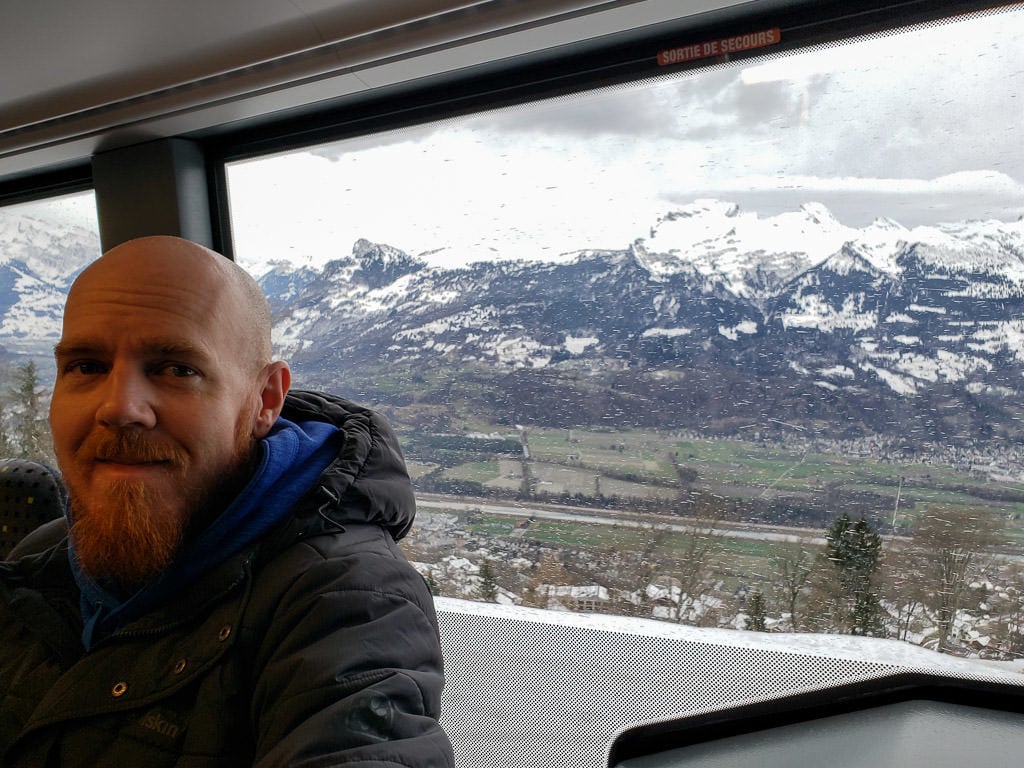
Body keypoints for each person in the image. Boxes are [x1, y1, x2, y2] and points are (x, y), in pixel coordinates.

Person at [0, 236, 454, 767]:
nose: (120, 407)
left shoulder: (348, 600)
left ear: (264, 401)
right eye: (85, 366)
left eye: (175, 369)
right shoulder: (44, 556)